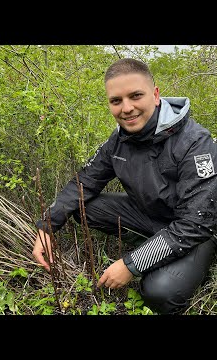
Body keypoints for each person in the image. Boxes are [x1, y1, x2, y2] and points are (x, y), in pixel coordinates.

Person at [32, 58, 217, 315]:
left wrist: (131, 265)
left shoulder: (195, 142)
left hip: (195, 232)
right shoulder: (118, 141)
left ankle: (190, 260)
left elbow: (197, 223)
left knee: (159, 292)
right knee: (84, 207)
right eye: (116, 101)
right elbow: (84, 182)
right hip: (151, 216)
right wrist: (46, 227)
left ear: (155, 95)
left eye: (135, 96)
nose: (126, 108)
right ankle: (153, 243)